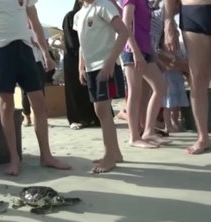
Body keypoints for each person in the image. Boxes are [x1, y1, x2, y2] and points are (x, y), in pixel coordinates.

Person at [0, 0, 71, 175]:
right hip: (1, 50)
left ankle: (46, 155)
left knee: (39, 102)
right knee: (6, 105)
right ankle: (14, 158)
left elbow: (35, 23)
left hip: (25, 49)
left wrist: (46, 53)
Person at [73, 0, 128, 172]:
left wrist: (111, 62)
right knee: (100, 110)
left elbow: (124, 32)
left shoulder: (104, 5)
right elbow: (82, 42)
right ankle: (115, 152)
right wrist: (81, 66)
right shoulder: (78, 14)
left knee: (103, 110)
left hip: (105, 65)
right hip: (91, 68)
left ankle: (109, 156)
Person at [164, 0, 211, 154]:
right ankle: (203, 137)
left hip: (195, 13)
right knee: (197, 79)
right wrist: (169, 22)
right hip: (194, 12)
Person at [121, 0, 170, 148]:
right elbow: (126, 24)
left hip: (146, 50)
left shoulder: (145, 2)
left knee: (160, 86)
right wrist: (135, 52)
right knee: (135, 92)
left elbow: (145, 29)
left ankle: (148, 131)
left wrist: (154, 56)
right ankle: (134, 136)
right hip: (132, 50)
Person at [62, 2, 100, 130]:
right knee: (74, 90)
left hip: (89, 56)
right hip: (73, 59)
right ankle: (75, 119)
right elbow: (72, 41)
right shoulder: (71, 16)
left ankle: (92, 117)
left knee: (89, 89)